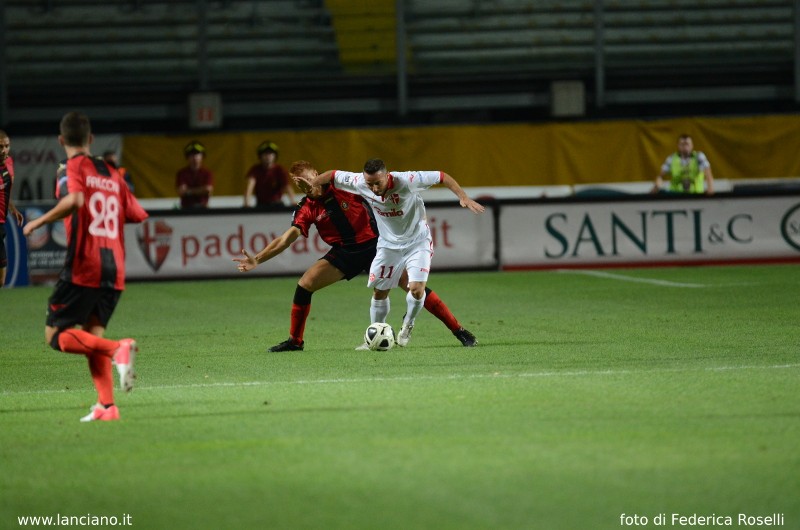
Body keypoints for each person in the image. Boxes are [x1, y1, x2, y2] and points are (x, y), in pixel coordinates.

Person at [233, 160, 477, 351]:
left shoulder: (344, 187)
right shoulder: (306, 208)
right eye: (299, 184)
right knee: (304, 285)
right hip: (344, 254)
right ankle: (295, 342)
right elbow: (287, 238)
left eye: (308, 180)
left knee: (415, 288)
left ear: (316, 174)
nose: (306, 186)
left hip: (375, 245)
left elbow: (372, 186)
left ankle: (459, 330)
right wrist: (258, 258)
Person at [22, 112, 149, 422]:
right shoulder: (113, 173)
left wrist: (37, 222)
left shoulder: (71, 168)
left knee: (56, 335)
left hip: (84, 265)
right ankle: (107, 406)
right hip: (114, 268)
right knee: (90, 334)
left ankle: (117, 349)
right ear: (91, 139)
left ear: (61, 141)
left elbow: (75, 200)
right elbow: (138, 214)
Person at [296, 158, 485, 347]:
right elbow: (333, 174)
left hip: (416, 242)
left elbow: (442, 176)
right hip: (387, 245)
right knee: (379, 291)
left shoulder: (408, 180)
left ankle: (409, 323)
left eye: (378, 183)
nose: (374, 189)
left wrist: (463, 196)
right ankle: (374, 338)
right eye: (370, 184)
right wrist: (313, 184)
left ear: (387, 176)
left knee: (417, 289)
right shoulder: (358, 182)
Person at [1, 130, 25, 288]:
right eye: (0, 146)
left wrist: (12, 209)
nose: (3, 150)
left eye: (7, 146)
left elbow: (7, 190)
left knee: (1, 280)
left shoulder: (9, 163)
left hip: (1, 223)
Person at [243, 141, 295, 208]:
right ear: (260, 156)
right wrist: (246, 203)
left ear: (275, 156)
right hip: (261, 205)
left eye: (271, 153)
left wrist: (293, 202)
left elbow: (287, 186)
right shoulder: (255, 170)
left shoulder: (280, 170)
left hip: (277, 205)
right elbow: (249, 186)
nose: (268, 156)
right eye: (265, 154)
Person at [175, 140, 213, 208]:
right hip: (186, 209)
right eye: (191, 155)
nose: (195, 157)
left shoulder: (207, 173)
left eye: (197, 154)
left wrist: (189, 191)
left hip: (203, 208)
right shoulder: (182, 173)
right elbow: (181, 192)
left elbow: (208, 190)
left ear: (202, 156)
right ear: (187, 157)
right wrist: (200, 190)